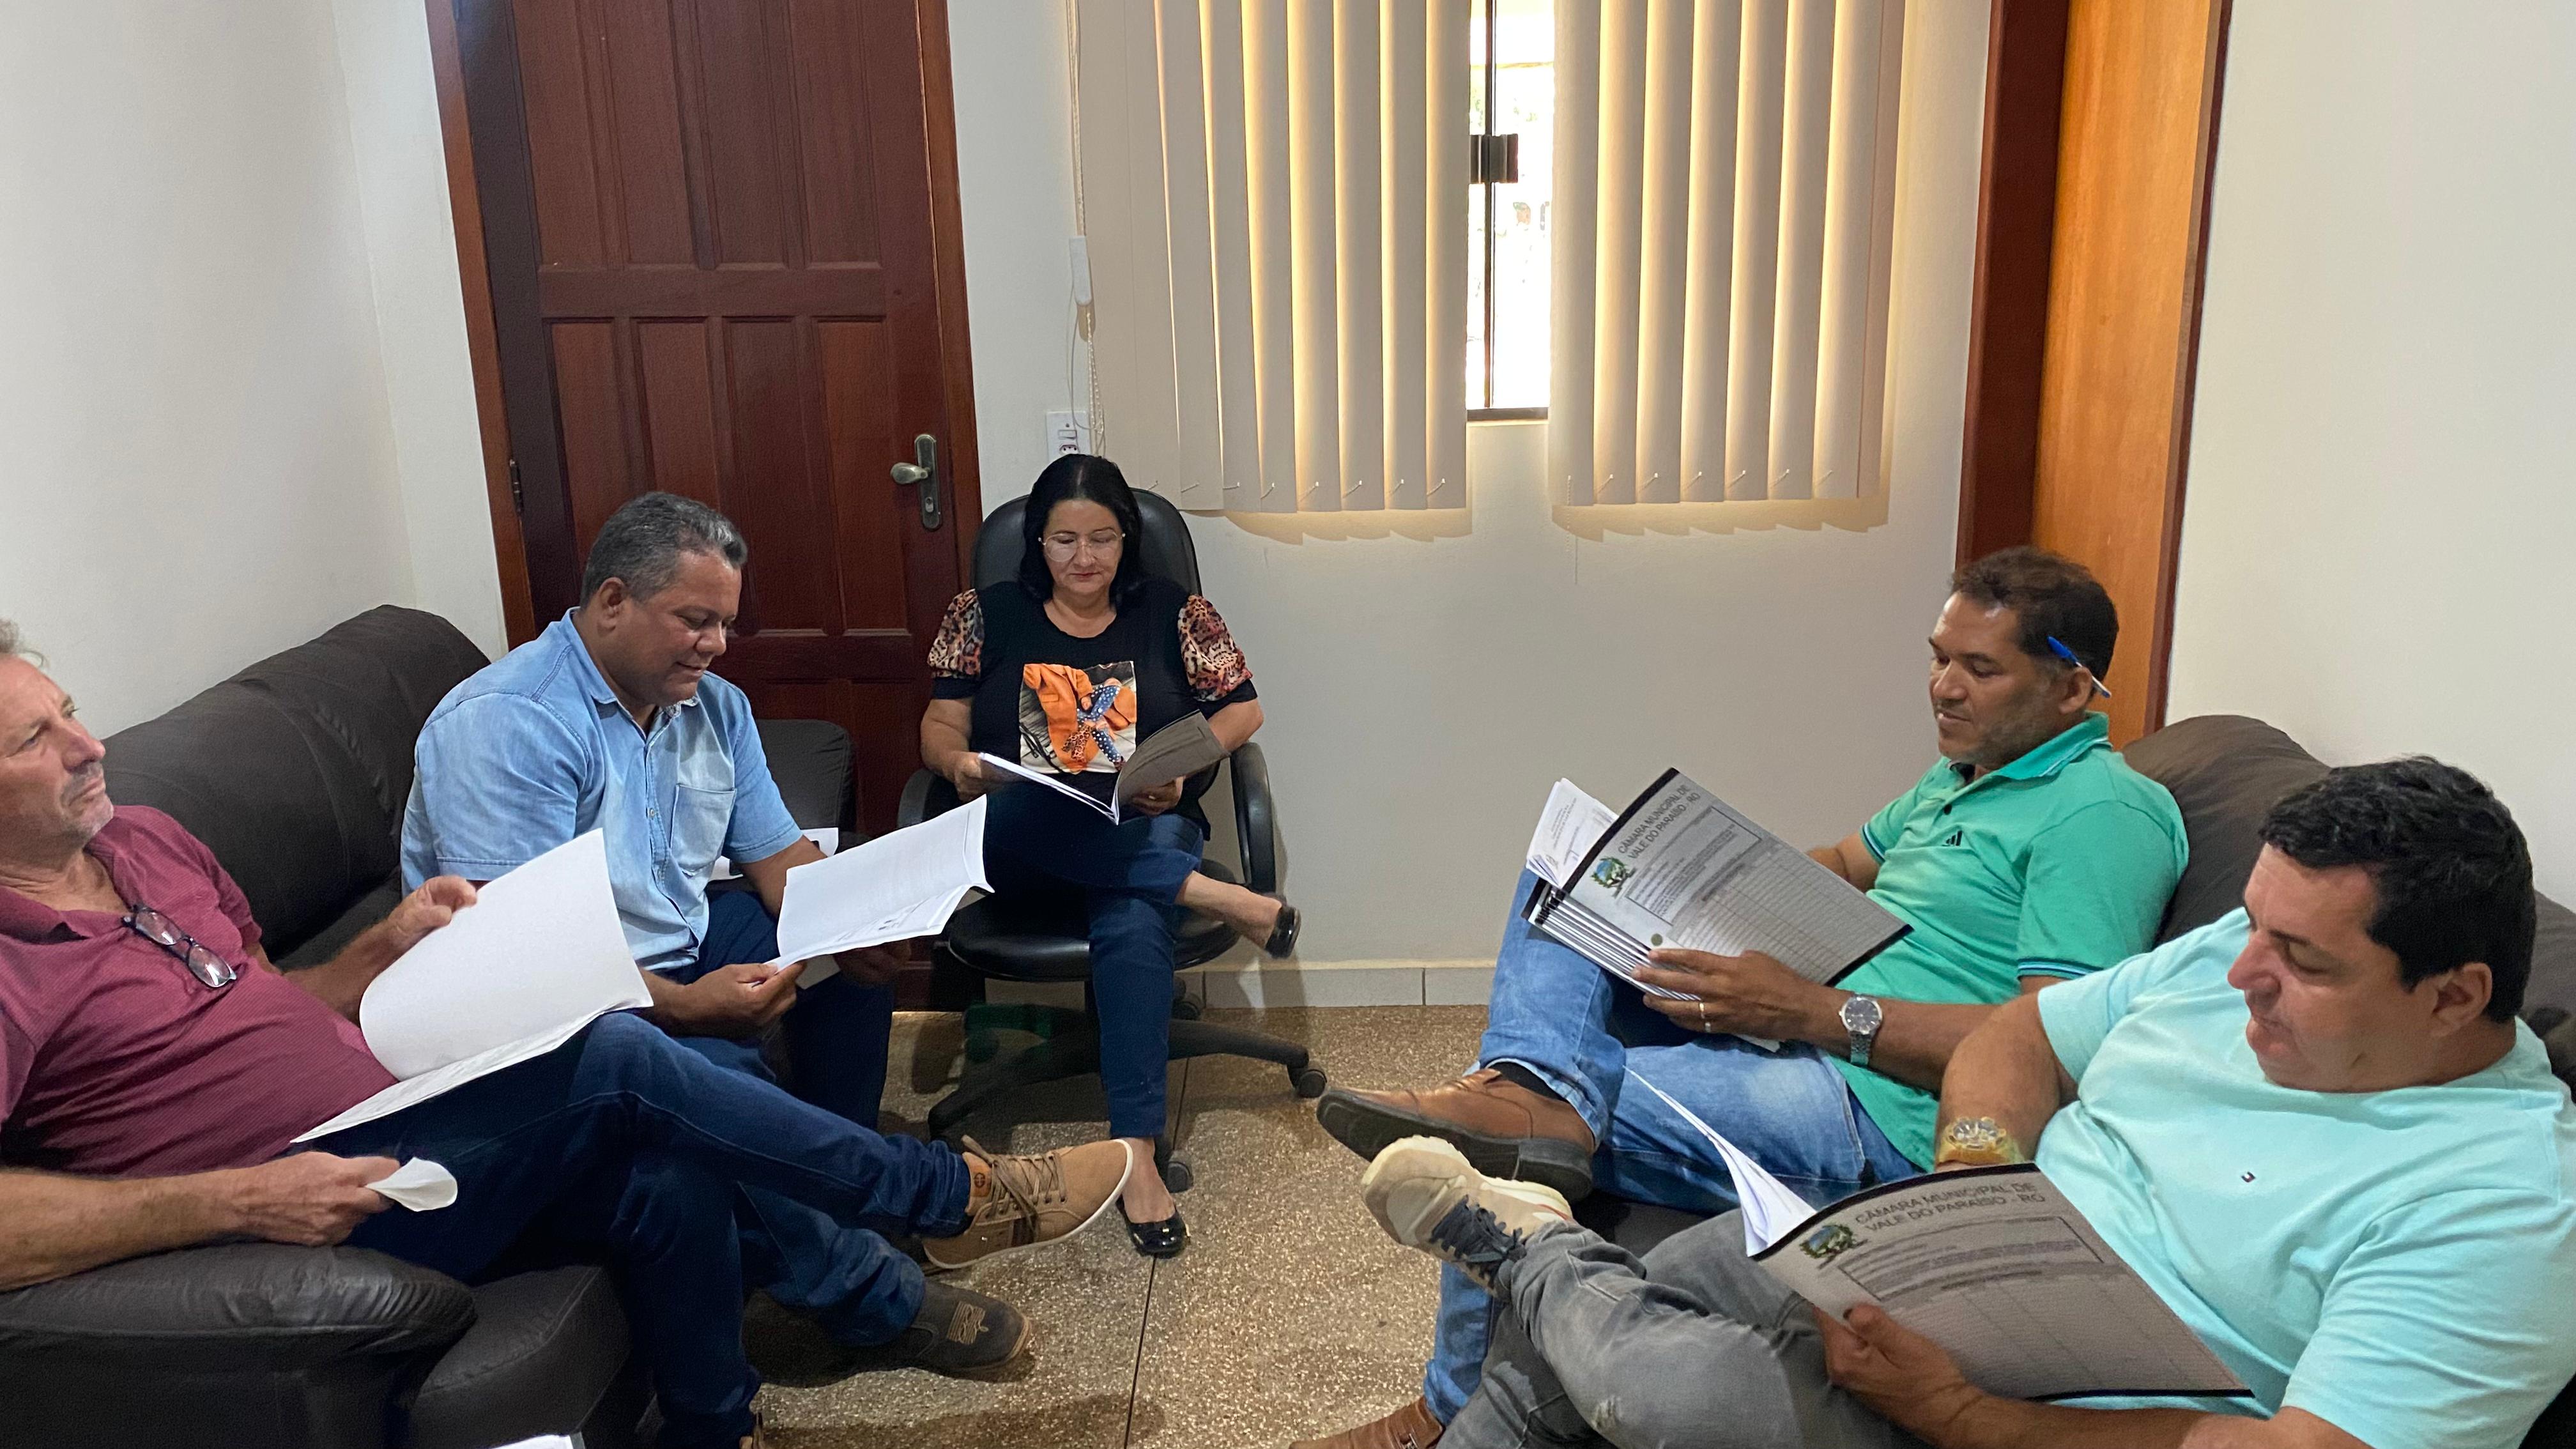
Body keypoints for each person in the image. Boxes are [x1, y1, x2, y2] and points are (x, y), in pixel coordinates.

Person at [0, 620, 1137, 1449]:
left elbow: (271, 999)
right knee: (616, 1057)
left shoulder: (147, 840)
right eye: (34, 742)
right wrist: (241, 1201)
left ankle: (715, 1426)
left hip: (400, 1104)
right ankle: (945, 1196)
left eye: (70, 712)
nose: (87, 745)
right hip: (309, 1199)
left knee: (668, 1170)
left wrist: (379, 949)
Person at [1344, 757, 2576, 1449]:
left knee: (1666, 1395)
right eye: (2252, 924)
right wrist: (1974, 1184)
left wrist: (1971, 1415)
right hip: (1949, 1260)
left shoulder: (2503, 1205)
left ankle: (1536, 1246)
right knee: (1606, 1331)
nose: (2240, 970)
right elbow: (2019, 1034)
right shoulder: (2226, 958)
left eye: (2299, 960)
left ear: (2452, 995)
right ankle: (1533, 1214)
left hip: (2049, 1408)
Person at [1301, 548, 2189, 1448]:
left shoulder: (2103, 814)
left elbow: (2050, 1042)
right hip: (1807, 1027)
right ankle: (1537, 1089)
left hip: (1876, 1109)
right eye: (1938, 658)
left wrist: (1804, 1008)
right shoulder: (1966, 773)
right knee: (1567, 880)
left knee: (1493, 1141)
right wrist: (1699, 888)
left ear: (2071, 690)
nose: (1943, 688)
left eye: (1980, 669)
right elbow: (1846, 862)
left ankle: (1447, 1410)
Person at [400, 492, 970, 1369]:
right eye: (695, 620)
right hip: (553, 1001)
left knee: (842, 960)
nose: (716, 645)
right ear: (613, 601)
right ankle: (868, 1294)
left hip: (675, 937)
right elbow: (523, 964)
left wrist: (860, 921)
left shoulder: (715, 708)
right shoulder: (509, 724)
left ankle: (846, 1197)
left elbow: (779, 859)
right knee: (707, 1065)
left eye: (726, 623)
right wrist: (687, 1007)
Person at [919, 454, 1300, 1258]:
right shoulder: (983, 614)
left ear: (1128, 538)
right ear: (1037, 541)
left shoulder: (1175, 612)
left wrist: (1183, 770)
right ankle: (1207, 892)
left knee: (1132, 917)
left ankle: (1138, 1157)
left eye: (1102, 539)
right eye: (1065, 540)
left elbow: (1243, 711)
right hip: (1023, 840)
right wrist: (957, 764)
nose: (1084, 558)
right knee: (1015, 806)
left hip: (1142, 827)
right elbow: (942, 723)